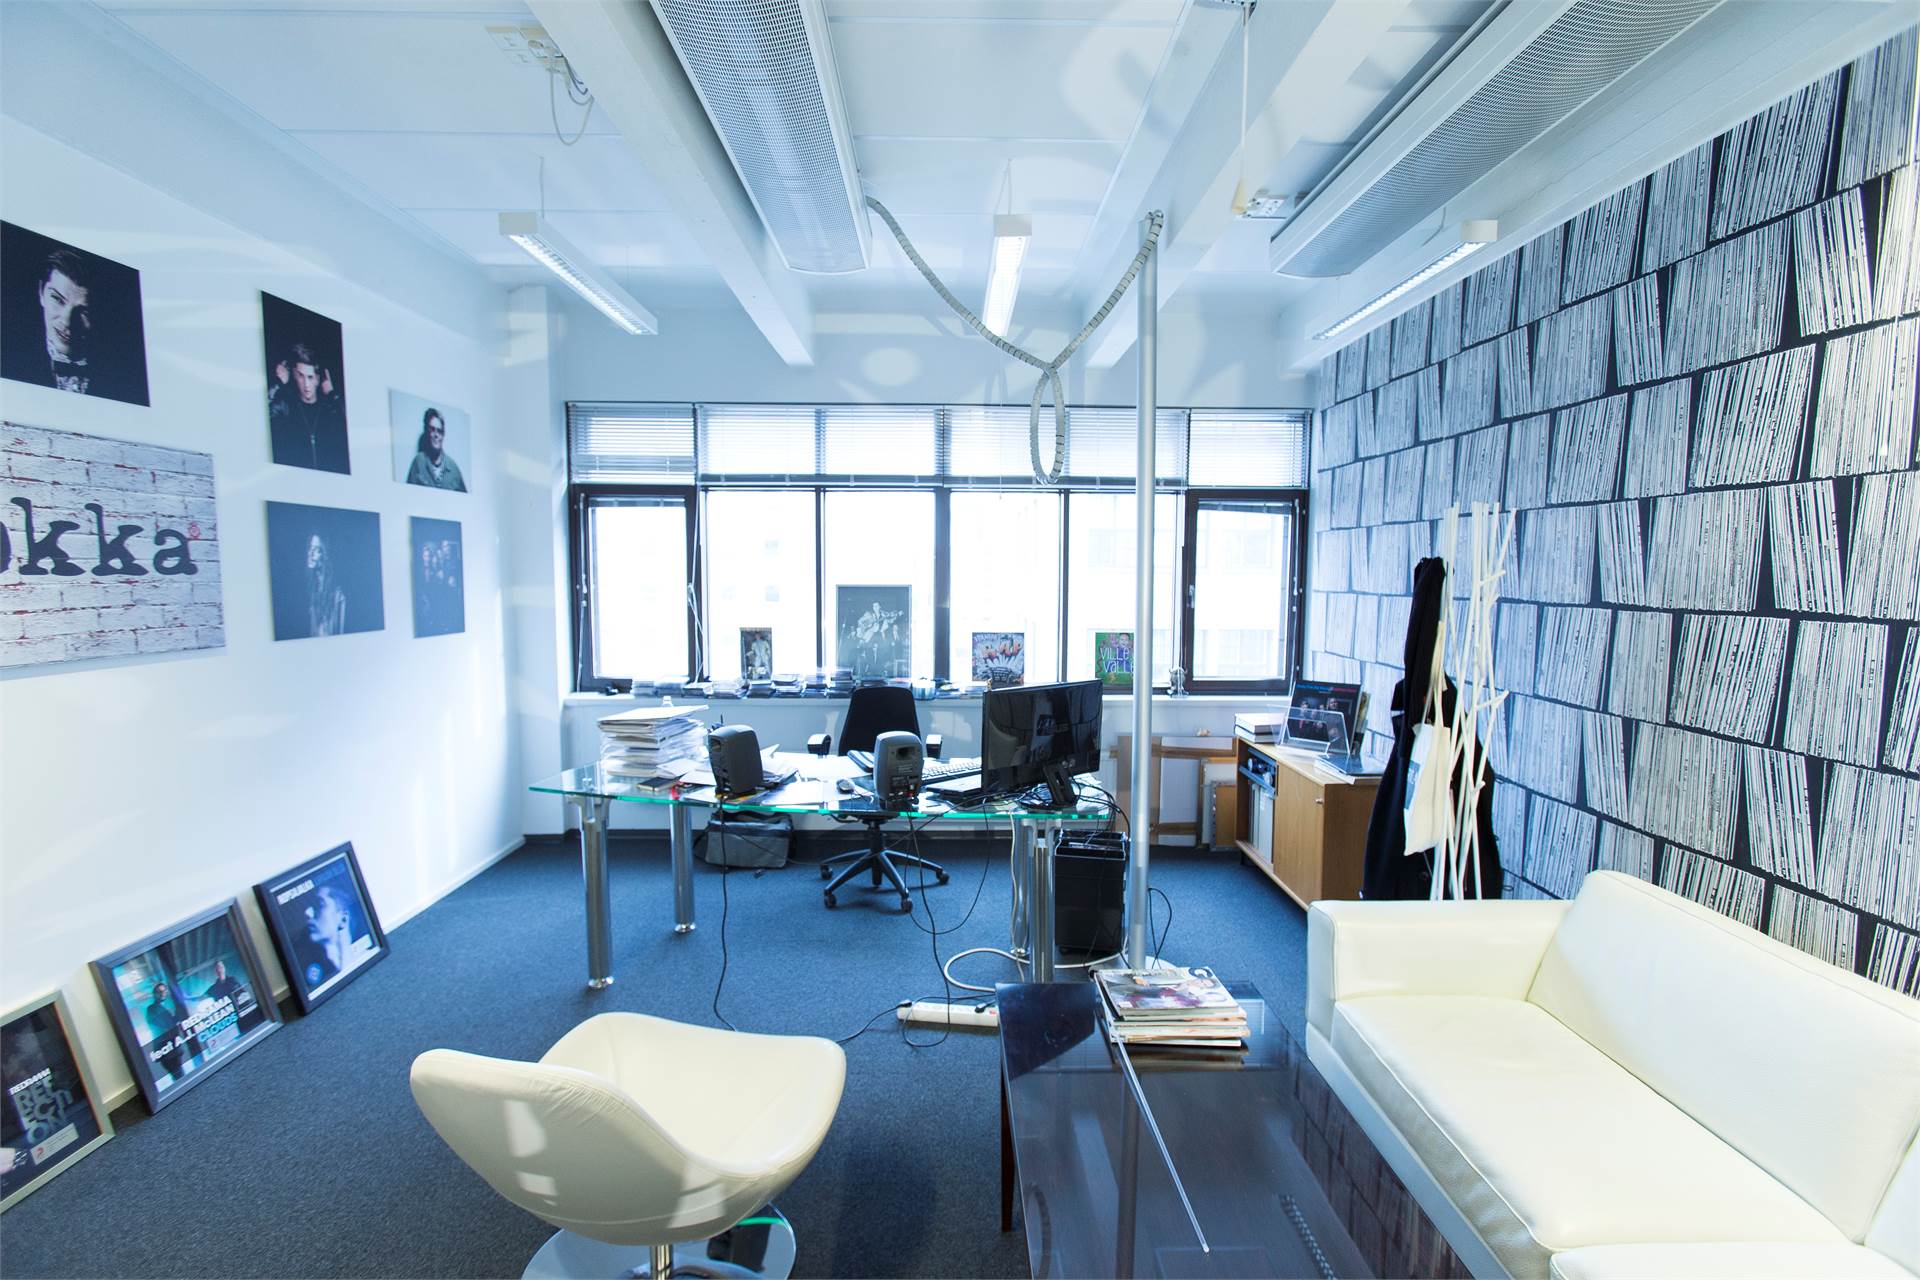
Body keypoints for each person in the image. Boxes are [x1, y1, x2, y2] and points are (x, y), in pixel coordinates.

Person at [268, 340, 349, 473]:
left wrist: (332, 395)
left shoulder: (329, 408)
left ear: (318, 379)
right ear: (294, 374)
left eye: (310, 377)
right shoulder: (285, 407)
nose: (306, 384)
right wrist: (278, 383)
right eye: (301, 376)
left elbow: (348, 428)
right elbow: (263, 417)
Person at [404, 408, 466, 491]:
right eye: (432, 429)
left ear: (443, 435)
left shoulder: (453, 468)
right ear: (427, 431)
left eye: (439, 431)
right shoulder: (418, 463)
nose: (436, 435)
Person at [143, 981, 192, 1083]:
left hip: (171, 1048)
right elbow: (165, 1025)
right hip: (166, 1049)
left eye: (164, 991)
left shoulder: (161, 1007)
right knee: (178, 1075)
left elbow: (171, 1023)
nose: (163, 993)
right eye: (160, 991)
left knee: (179, 1075)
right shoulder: (152, 1009)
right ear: (155, 994)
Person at [305, 534, 349, 637]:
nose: (310, 553)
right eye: (310, 548)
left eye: (316, 549)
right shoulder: (313, 590)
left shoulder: (338, 596)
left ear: (325, 555)